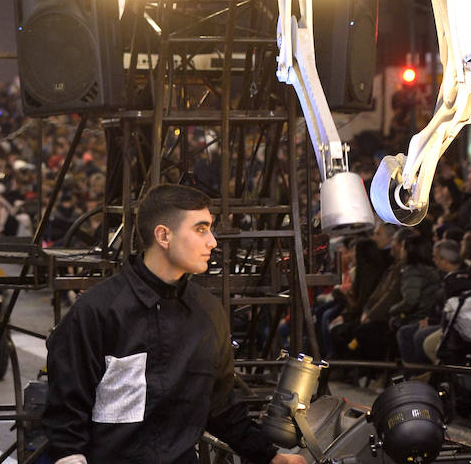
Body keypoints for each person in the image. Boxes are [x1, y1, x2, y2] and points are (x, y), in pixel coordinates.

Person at [42, 184, 306, 464]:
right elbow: (66, 416)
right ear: (163, 235)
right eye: (201, 229)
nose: (213, 242)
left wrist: (270, 457)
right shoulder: (97, 311)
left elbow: (220, 407)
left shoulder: (208, 312)